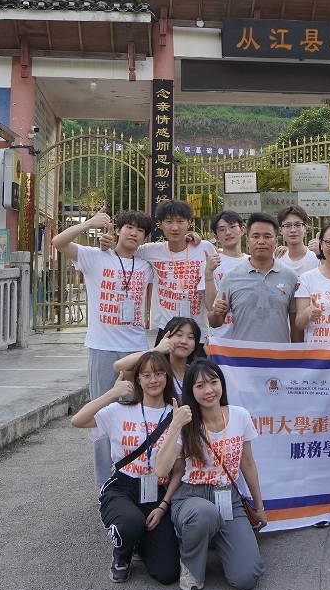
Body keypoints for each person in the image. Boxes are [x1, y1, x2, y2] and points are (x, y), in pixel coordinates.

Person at [51, 208, 155, 485]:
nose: (133, 233)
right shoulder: (95, 257)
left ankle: (134, 478)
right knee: (101, 414)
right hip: (103, 348)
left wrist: (193, 237)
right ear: (117, 230)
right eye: (128, 227)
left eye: (140, 230)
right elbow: (58, 242)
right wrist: (89, 223)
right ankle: (104, 483)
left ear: (145, 237)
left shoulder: (146, 265)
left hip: (136, 349)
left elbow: (176, 254)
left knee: (137, 415)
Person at [155, 359, 267, 590]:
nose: (208, 390)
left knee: (246, 578)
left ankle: (211, 538)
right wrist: (175, 426)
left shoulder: (240, 416)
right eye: (200, 386)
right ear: (191, 391)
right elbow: (161, 470)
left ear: (221, 384)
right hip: (191, 498)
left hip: (228, 497)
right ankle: (190, 562)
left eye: (213, 382)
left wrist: (259, 507)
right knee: (204, 514)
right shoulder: (186, 423)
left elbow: (247, 463)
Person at [70, 351, 181, 585]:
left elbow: (179, 469)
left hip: (156, 491)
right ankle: (122, 554)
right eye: (146, 375)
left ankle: (139, 541)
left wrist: (163, 505)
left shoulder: (176, 415)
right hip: (123, 487)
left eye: (159, 374)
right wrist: (112, 394)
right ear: (138, 379)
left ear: (167, 377)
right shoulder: (120, 410)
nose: (153, 380)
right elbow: (77, 420)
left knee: (167, 573)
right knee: (130, 521)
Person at [209, 213, 299, 343]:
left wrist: (297, 352)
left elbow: (295, 323)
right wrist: (217, 313)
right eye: (255, 236)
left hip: (279, 353)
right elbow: (214, 322)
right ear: (248, 241)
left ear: (276, 241)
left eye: (267, 236)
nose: (261, 241)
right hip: (243, 353)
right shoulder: (231, 276)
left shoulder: (290, 277)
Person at [139, 200, 216, 343]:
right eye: (169, 221)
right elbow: (124, 251)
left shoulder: (204, 248)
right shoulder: (151, 251)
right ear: (160, 224)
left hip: (198, 332)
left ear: (189, 222)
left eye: (180, 221)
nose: (175, 227)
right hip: (167, 331)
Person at [115, 316, 202, 401]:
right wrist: (156, 350)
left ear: (195, 345)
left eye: (190, 337)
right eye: (179, 335)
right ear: (166, 338)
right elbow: (119, 366)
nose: (184, 341)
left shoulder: (198, 373)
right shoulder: (155, 371)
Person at [203, 211, 249, 341]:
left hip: (248, 336)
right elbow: (211, 306)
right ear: (216, 236)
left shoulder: (253, 262)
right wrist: (208, 272)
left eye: (232, 227)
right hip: (221, 338)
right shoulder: (211, 263)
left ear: (242, 230)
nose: (228, 232)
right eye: (222, 229)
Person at [275, 205, 320, 276]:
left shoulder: (317, 258)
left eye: (298, 225)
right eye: (287, 226)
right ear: (280, 230)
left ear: (305, 228)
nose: (293, 230)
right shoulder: (276, 259)